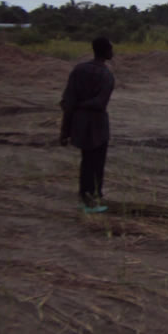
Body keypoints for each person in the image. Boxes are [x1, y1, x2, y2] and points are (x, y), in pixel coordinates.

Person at [60, 36, 115, 213]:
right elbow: (100, 103)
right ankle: (94, 198)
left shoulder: (79, 70)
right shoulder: (106, 75)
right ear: (106, 51)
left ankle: (85, 196)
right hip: (97, 124)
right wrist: (81, 105)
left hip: (79, 122)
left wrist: (64, 131)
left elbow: (67, 101)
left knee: (86, 162)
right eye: (111, 49)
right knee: (97, 163)